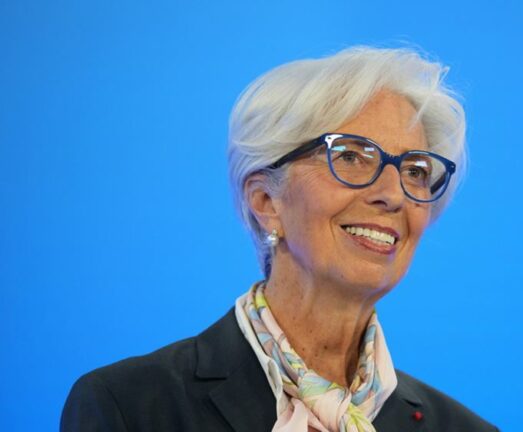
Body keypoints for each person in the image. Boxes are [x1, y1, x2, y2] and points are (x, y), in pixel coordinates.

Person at [61, 46, 498, 432]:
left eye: (415, 171)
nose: (392, 195)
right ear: (266, 201)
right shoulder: (132, 408)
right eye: (351, 156)